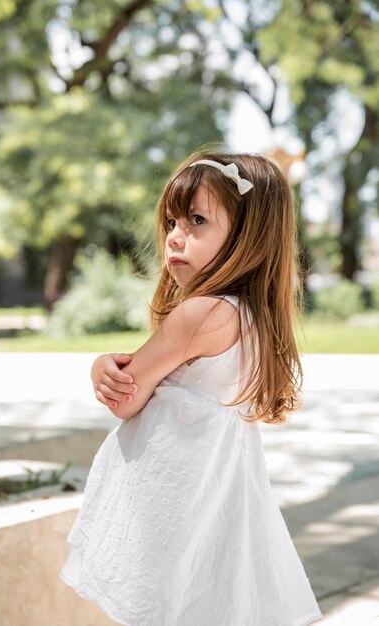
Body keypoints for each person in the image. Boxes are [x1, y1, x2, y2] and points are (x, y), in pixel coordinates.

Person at [59, 151, 323, 626]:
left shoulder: (199, 314)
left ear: (247, 237)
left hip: (170, 495)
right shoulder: (251, 319)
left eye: (197, 220)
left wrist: (104, 367)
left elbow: (127, 397)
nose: (175, 237)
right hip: (217, 499)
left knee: (168, 606)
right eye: (171, 221)